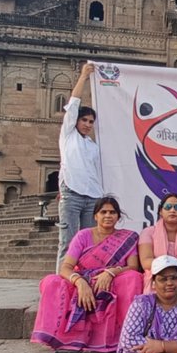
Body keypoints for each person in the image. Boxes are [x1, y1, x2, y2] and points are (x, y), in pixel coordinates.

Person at [32, 195, 143, 353]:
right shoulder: (83, 235)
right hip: (82, 280)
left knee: (133, 278)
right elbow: (66, 267)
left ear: (118, 217)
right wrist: (80, 283)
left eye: (112, 212)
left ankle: (125, 334)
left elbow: (133, 267)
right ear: (95, 216)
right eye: (103, 212)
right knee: (51, 281)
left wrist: (110, 272)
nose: (108, 216)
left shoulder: (128, 238)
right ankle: (58, 335)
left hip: (111, 282)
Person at [58, 61, 104, 264]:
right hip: (72, 193)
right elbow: (74, 103)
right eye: (84, 120)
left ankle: (84, 279)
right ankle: (61, 281)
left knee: (88, 244)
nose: (87, 124)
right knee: (68, 242)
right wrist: (84, 76)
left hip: (92, 195)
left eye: (91, 122)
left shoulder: (93, 146)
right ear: (76, 121)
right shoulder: (69, 135)